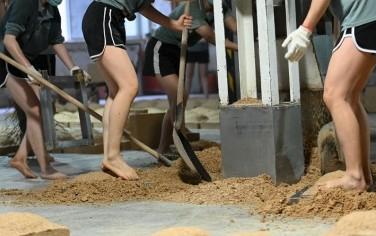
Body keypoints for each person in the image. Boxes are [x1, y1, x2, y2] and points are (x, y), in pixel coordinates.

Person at [282, 0, 376, 191]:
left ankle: (354, 177)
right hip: (371, 17)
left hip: (362, 19)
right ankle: (364, 176)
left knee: (335, 95)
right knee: (350, 98)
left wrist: (305, 29)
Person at [82, 0, 192, 180]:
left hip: (109, 19)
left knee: (116, 91)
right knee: (129, 86)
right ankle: (113, 156)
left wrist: (173, 24)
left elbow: (143, 7)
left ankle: (108, 157)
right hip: (105, 16)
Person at [0, 0, 91, 179]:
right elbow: (9, 40)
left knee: (39, 109)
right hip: (5, 60)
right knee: (34, 109)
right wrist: (30, 69)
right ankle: (45, 168)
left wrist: (73, 67)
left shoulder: (52, 10)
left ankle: (20, 158)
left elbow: (56, 41)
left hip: (22, 60)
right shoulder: (24, 4)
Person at [143, 0, 237, 156]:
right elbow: (210, 36)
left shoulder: (220, 7)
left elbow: (235, 26)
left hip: (179, 51)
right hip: (161, 48)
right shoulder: (194, 6)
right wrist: (239, 48)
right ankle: (162, 148)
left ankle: (180, 136)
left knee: (177, 99)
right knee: (179, 97)